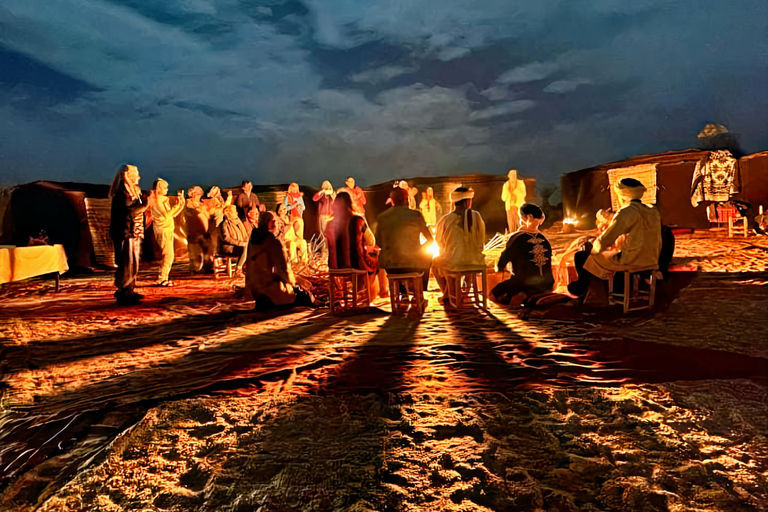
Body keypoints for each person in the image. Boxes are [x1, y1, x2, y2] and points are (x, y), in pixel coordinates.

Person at [568, 178, 662, 304]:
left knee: (583, 256)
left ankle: (585, 290)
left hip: (631, 260)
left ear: (621, 194)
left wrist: (595, 245)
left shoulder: (626, 211)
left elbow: (606, 239)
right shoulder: (652, 211)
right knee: (599, 256)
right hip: (652, 259)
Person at [245, 211, 317, 311]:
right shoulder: (272, 242)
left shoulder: (252, 241)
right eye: (274, 222)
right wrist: (293, 281)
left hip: (256, 292)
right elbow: (282, 268)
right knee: (304, 295)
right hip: (271, 293)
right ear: (270, 224)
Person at [489, 203, 554, 305]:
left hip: (523, 283)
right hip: (547, 283)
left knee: (494, 293)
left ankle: (522, 294)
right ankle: (530, 294)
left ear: (524, 218)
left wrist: (499, 267)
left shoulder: (517, 238)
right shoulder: (544, 239)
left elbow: (504, 258)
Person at [376, 188, 434, 291]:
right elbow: (430, 239)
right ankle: (419, 291)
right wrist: (420, 248)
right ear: (406, 199)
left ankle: (402, 293)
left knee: (397, 268)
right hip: (413, 264)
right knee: (428, 256)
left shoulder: (382, 217)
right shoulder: (416, 215)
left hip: (391, 266)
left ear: (392, 201)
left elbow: (379, 242)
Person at [433, 187, 486, 296]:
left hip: (454, 263)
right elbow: (481, 240)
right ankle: (463, 292)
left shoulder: (445, 220)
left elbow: (439, 243)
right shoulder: (476, 216)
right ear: (468, 202)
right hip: (475, 262)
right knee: (469, 256)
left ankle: (449, 293)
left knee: (436, 263)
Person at [109, 164, 149, 305]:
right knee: (127, 262)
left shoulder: (133, 191)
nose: (138, 177)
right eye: (136, 174)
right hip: (126, 232)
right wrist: (145, 205)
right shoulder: (122, 193)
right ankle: (124, 291)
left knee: (133, 261)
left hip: (134, 231)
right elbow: (129, 212)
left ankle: (130, 289)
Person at [327, 191, 379, 297]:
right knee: (374, 258)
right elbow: (371, 240)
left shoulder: (329, 224)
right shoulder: (357, 220)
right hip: (354, 263)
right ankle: (367, 294)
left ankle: (354, 293)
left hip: (334, 265)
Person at [148, 178, 184, 286]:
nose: (167, 189)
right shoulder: (157, 199)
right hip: (163, 230)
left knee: (169, 255)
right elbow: (167, 215)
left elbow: (171, 215)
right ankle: (162, 278)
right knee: (168, 255)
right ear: (159, 187)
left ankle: (163, 277)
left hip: (167, 228)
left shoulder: (161, 199)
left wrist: (180, 204)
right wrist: (178, 205)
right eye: (165, 187)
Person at [220, 204, 249, 274]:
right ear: (229, 213)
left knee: (250, 246)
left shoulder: (238, 222)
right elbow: (226, 238)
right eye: (234, 212)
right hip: (228, 247)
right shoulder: (225, 224)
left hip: (239, 245)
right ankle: (238, 269)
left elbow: (245, 235)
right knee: (245, 247)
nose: (236, 213)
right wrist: (240, 243)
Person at [501, 169, 527, 234]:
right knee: (511, 225)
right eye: (511, 174)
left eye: (514, 174)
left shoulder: (520, 183)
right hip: (509, 207)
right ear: (508, 175)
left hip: (518, 206)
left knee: (520, 223)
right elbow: (503, 198)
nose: (513, 176)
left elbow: (523, 194)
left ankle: (522, 236)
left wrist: (514, 191)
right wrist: (508, 191)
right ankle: (512, 238)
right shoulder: (506, 185)